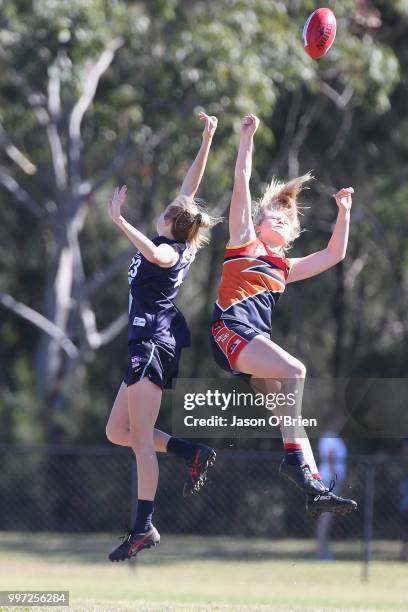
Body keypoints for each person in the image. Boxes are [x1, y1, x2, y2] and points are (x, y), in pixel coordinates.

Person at [210, 113, 357, 517]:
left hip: (252, 342)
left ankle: (314, 489)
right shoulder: (244, 242)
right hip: (230, 331)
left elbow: (334, 254)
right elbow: (241, 179)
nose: (278, 216)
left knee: (290, 421)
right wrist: (246, 138)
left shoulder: (284, 267)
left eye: (285, 217)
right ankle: (294, 461)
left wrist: (343, 213)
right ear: (256, 224)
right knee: (295, 371)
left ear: (291, 233)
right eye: (270, 214)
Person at [106, 112, 219, 562]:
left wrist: (119, 220)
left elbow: (154, 251)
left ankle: (143, 526)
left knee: (137, 441)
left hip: (153, 342)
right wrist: (207, 138)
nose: (168, 208)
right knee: (119, 431)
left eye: (171, 212)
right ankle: (189, 450)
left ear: (175, 225)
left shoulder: (169, 248)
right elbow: (190, 187)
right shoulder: (182, 231)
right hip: (147, 342)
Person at [316, 433, 348, 559]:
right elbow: (329, 458)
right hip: (329, 482)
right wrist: (336, 478)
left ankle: (322, 550)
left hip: (330, 481)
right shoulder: (329, 438)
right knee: (326, 517)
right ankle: (321, 552)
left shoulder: (331, 438)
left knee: (327, 518)